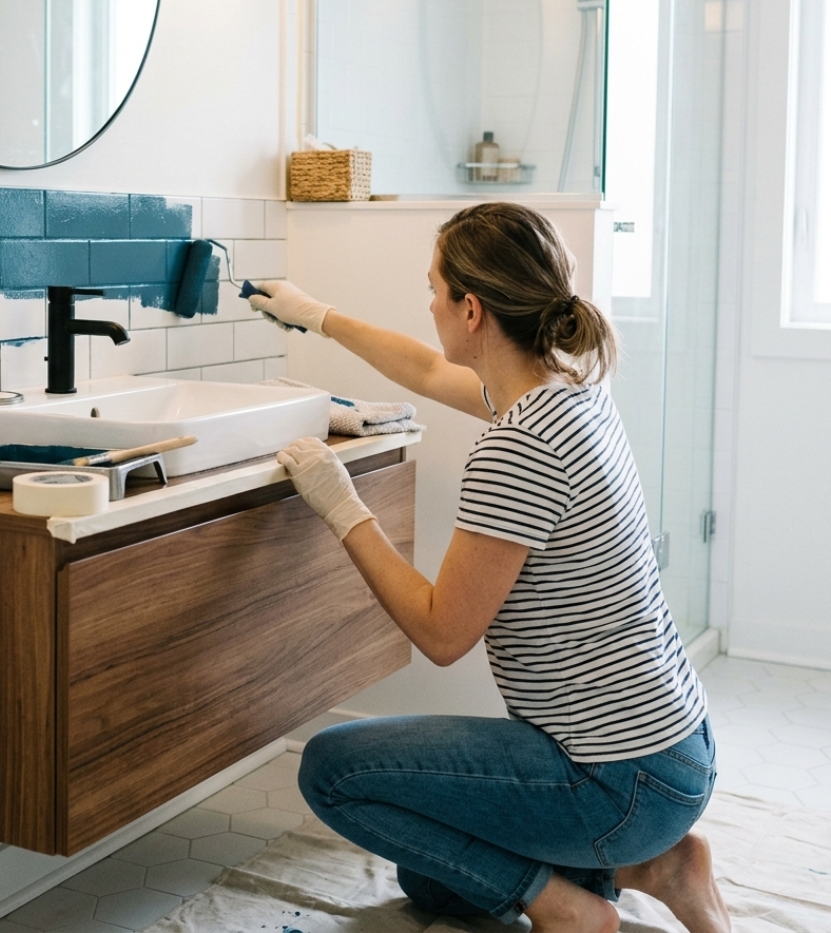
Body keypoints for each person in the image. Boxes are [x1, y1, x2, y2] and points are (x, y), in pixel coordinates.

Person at [250, 203, 731, 933]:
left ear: (470, 310)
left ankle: (570, 908)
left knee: (332, 771)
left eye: (435, 289)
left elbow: (443, 636)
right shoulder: (570, 393)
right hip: (677, 752)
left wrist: (341, 506)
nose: (430, 303)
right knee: (436, 877)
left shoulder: (518, 448)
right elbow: (423, 367)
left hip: (618, 779)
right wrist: (315, 314)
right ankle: (655, 866)